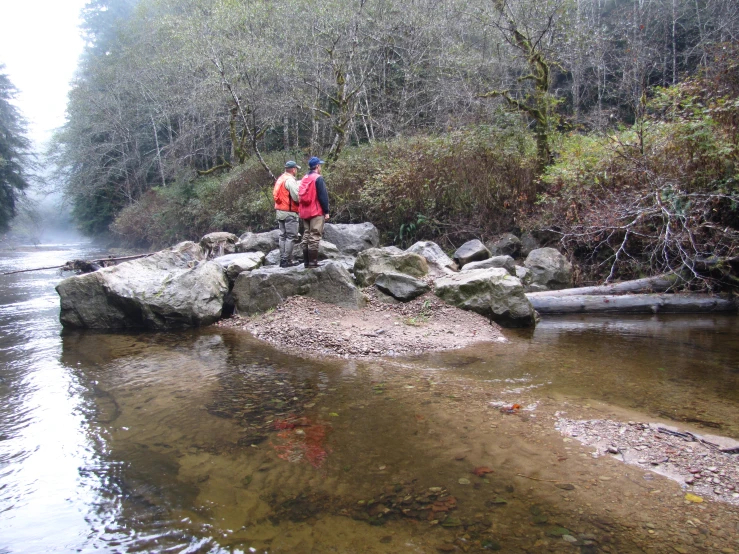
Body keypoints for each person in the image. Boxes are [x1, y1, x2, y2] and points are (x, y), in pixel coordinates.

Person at [298, 156, 330, 268]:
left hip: (304, 212)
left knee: (306, 235)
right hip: (315, 211)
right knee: (315, 235)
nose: (320, 167)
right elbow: (323, 196)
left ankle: (306, 262)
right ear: (317, 166)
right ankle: (313, 262)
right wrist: (326, 211)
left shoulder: (304, 178)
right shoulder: (318, 178)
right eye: (319, 165)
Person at [273, 160, 302, 267]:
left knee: (283, 236)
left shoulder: (281, 178)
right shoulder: (290, 180)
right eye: (296, 169)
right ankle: (286, 260)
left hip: (280, 212)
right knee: (291, 237)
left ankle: (283, 259)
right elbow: (296, 197)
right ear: (293, 169)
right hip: (289, 213)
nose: (296, 171)